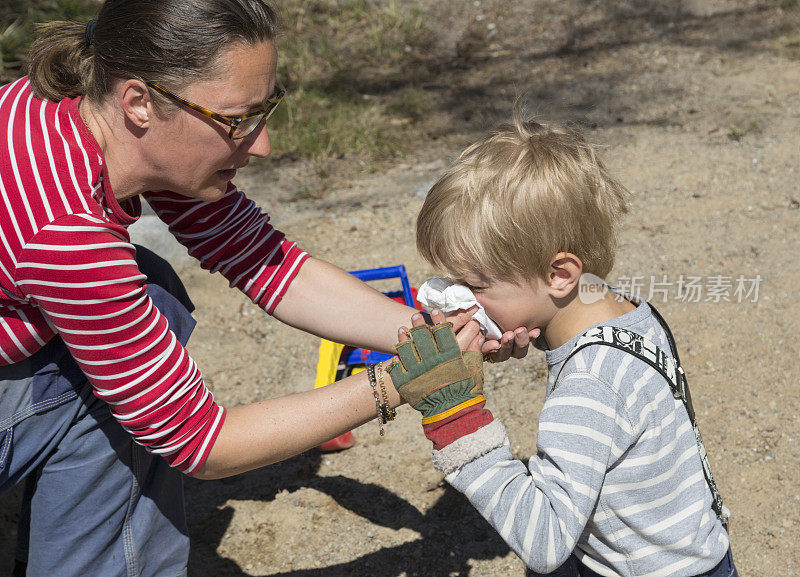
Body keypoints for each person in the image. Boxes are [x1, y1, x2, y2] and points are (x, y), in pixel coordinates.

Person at [0, 1, 537, 575]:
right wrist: (399, 382)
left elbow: (264, 261)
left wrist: (429, 335)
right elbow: (201, 443)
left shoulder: (71, 111)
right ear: (138, 102)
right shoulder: (65, 237)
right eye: (238, 121)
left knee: (146, 304)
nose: (262, 146)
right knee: (131, 354)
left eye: (267, 110)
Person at [396, 115, 738, 576]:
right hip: (697, 553)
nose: (455, 300)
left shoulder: (588, 383)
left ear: (559, 275)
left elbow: (546, 540)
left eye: (472, 285)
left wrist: (457, 420)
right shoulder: (630, 314)